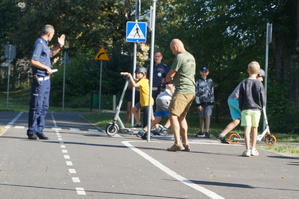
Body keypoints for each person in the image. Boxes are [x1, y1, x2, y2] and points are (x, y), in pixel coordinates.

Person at [27, 24, 65, 140]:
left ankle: (39, 130)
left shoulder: (45, 44)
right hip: (40, 80)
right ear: (49, 34)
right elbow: (33, 60)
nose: (52, 37)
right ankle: (31, 131)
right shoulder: (39, 43)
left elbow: (50, 54)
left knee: (44, 106)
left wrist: (59, 46)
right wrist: (46, 68)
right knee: (36, 106)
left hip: (46, 81)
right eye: (52, 35)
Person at [217, 69, 265, 144]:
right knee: (249, 115)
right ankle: (249, 135)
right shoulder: (251, 82)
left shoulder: (247, 80)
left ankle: (221, 135)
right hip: (237, 100)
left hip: (231, 99)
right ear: (257, 75)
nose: (261, 80)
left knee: (236, 120)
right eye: (261, 77)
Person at [166, 39, 196, 152]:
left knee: (172, 115)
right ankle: (186, 142)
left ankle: (177, 143)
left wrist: (166, 79)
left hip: (182, 90)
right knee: (181, 117)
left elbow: (171, 74)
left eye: (172, 50)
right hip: (191, 90)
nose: (172, 52)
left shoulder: (180, 57)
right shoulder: (191, 56)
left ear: (175, 46)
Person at [239, 61, 265, 157]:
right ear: (258, 72)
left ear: (248, 71)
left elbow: (240, 97)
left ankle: (247, 149)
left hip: (246, 108)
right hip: (256, 109)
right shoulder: (259, 84)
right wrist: (261, 106)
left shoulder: (244, 82)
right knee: (255, 128)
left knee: (247, 129)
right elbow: (262, 97)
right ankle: (254, 148)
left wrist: (240, 107)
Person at [122, 66, 154, 132]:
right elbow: (135, 80)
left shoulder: (144, 81)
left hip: (147, 101)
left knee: (151, 117)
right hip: (143, 101)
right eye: (137, 73)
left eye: (139, 73)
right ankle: (138, 123)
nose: (137, 75)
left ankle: (157, 128)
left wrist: (130, 76)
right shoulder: (142, 80)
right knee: (133, 109)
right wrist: (127, 75)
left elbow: (135, 85)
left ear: (144, 74)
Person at [195, 67, 214, 138]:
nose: (204, 73)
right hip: (201, 101)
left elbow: (212, 91)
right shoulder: (198, 82)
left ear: (208, 72)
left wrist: (212, 101)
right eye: (203, 72)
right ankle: (201, 130)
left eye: (205, 72)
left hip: (209, 101)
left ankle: (207, 131)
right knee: (201, 116)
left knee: (208, 115)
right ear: (200, 72)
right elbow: (196, 93)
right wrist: (198, 103)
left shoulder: (210, 81)